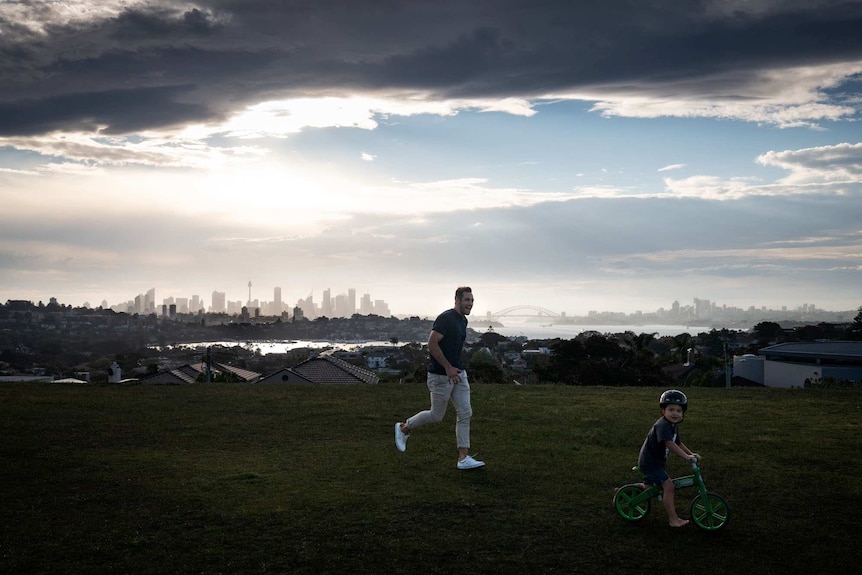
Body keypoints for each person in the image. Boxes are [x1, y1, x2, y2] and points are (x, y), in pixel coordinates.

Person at [394, 286, 485, 470]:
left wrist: (455, 368)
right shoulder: (446, 318)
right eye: (467, 300)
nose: (470, 304)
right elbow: (432, 343)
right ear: (457, 300)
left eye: (472, 300)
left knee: (465, 412)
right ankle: (404, 427)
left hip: (459, 374)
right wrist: (447, 367)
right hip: (440, 376)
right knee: (436, 415)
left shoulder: (463, 321)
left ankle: (463, 458)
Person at [636, 389, 700, 527]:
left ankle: (625, 492)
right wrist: (686, 457)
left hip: (656, 462)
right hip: (650, 463)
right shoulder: (663, 426)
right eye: (671, 409)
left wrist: (691, 453)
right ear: (663, 411)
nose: (675, 413)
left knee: (650, 488)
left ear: (683, 413)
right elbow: (669, 444)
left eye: (678, 410)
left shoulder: (673, 426)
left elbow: (678, 442)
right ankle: (673, 520)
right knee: (668, 486)